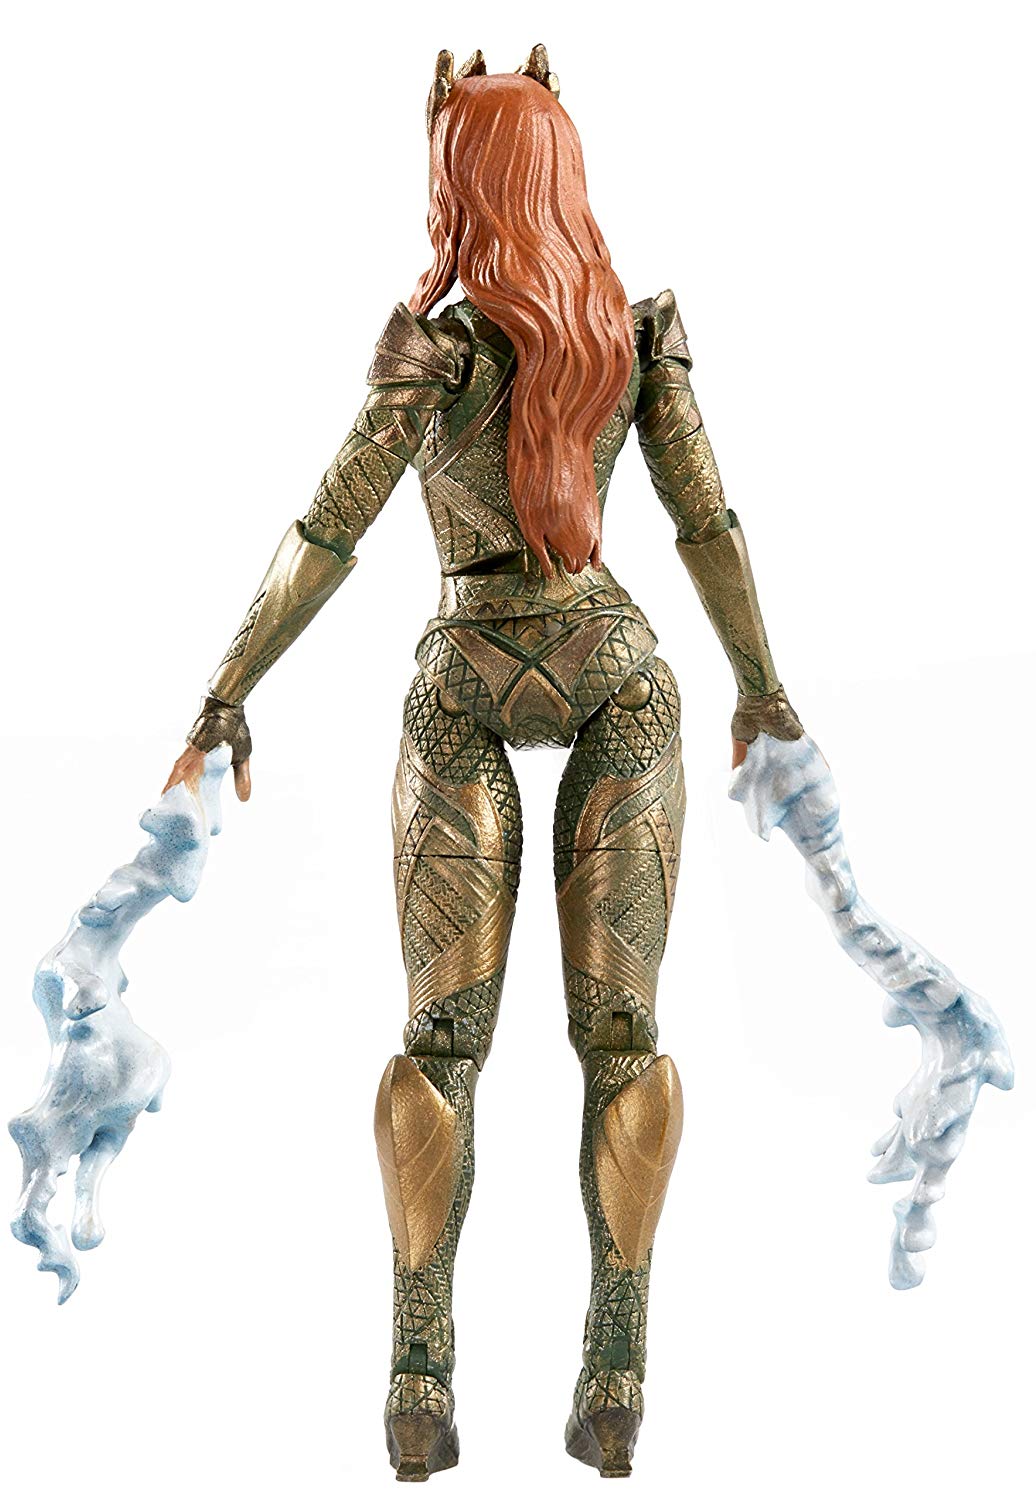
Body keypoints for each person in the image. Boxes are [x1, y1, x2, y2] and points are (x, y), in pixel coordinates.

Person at [164, 47, 803, 1481]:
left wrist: (225, 692)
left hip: (462, 670)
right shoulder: (629, 344)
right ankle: (615, 1374)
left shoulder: (436, 356)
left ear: (462, 185)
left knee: (440, 1039)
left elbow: (327, 528)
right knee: (621, 1035)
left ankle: (419, 1375)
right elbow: (707, 525)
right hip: (620, 668)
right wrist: (762, 686)